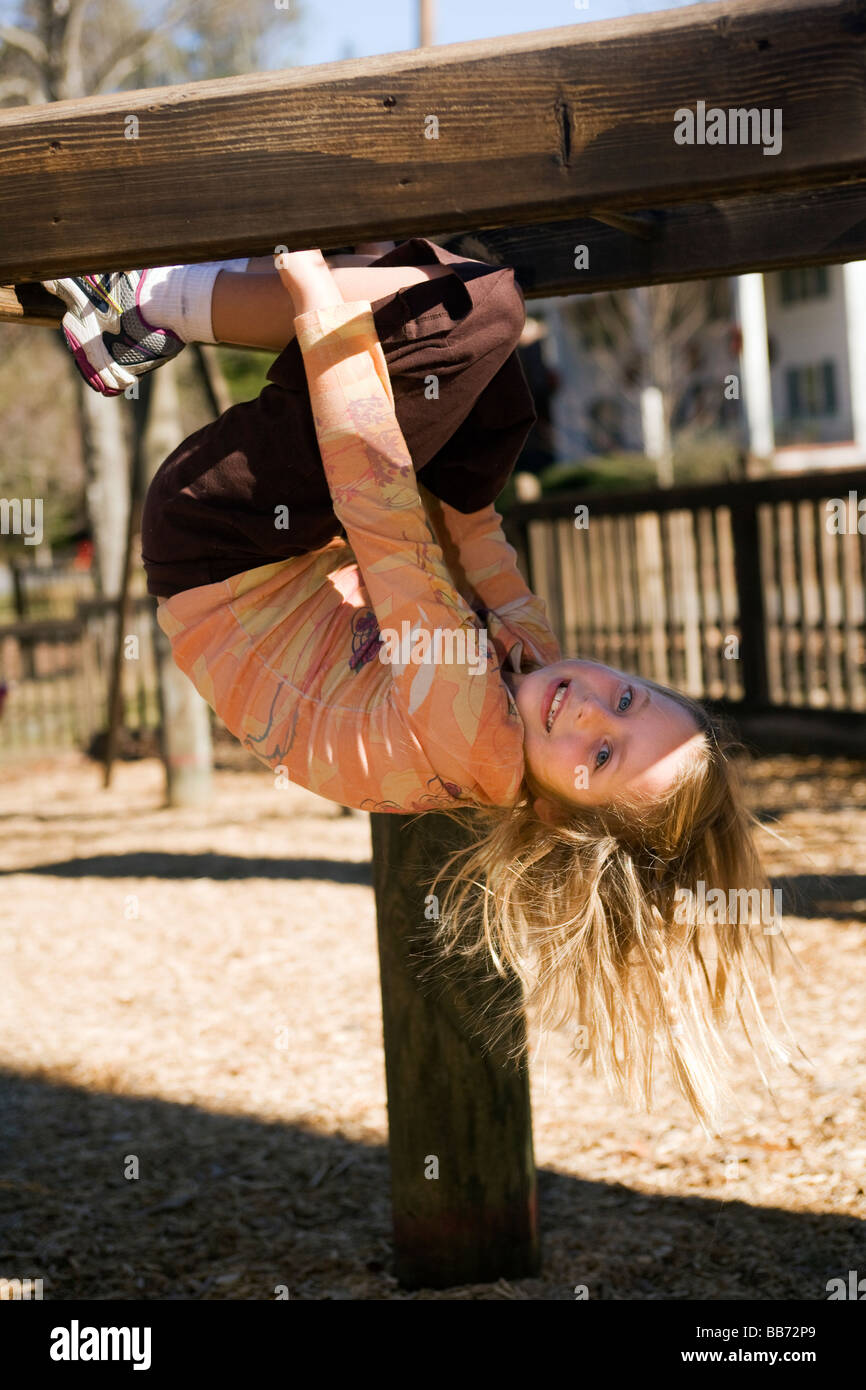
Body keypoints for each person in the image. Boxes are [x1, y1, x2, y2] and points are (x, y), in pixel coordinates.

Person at [45, 243, 792, 1130]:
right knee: (488, 372)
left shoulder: (472, 731)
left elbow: (389, 523)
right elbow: (473, 535)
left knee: (477, 315)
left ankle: (148, 297)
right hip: (286, 552)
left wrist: (329, 322)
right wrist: (458, 420)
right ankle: (181, 307)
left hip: (221, 543)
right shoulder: (532, 676)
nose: (590, 708)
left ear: (553, 812)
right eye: (626, 702)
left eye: (598, 755)